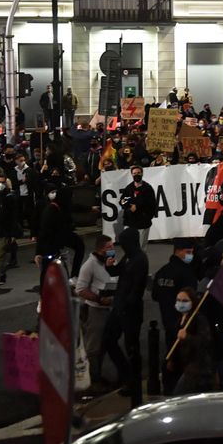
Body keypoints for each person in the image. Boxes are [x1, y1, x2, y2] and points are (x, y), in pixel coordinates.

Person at [102, 226, 149, 396]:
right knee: (108, 339)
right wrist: (109, 266)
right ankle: (125, 373)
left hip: (130, 310)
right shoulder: (129, 257)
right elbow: (118, 272)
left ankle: (133, 381)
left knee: (132, 347)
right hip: (120, 306)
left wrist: (125, 306)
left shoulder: (140, 259)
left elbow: (137, 288)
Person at [75, 236, 117, 391]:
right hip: (96, 311)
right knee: (94, 347)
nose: (113, 249)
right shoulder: (89, 265)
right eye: (109, 247)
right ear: (100, 249)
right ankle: (91, 380)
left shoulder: (110, 261)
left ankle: (97, 375)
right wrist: (99, 299)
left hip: (109, 309)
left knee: (104, 345)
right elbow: (80, 289)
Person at [151, 239, 199, 364]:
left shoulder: (162, 271)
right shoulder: (186, 273)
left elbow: (155, 295)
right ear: (178, 251)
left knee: (171, 354)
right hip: (183, 323)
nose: (190, 256)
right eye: (188, 252)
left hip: (166, 319)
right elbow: (192, 297)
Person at [168, 286, 215, 394]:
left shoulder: (199, 319)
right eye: (178, 300)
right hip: (187, 366)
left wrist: (187, 337)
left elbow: (205, 341)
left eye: (185, 301)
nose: (181, 303)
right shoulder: (181, 319)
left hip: (198, 369)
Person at [119, 165, 158, 243]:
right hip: (130, 222)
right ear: (132, 174)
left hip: (143, 222)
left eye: (138, 173)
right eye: (134, 173)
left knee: (141, 248)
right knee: (128, 246)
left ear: (142, 173)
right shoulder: (129, 188)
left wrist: (139, 208)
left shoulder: (148, 188)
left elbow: (152, 204)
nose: (136, 175)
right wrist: (129, 206)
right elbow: (122, 201)